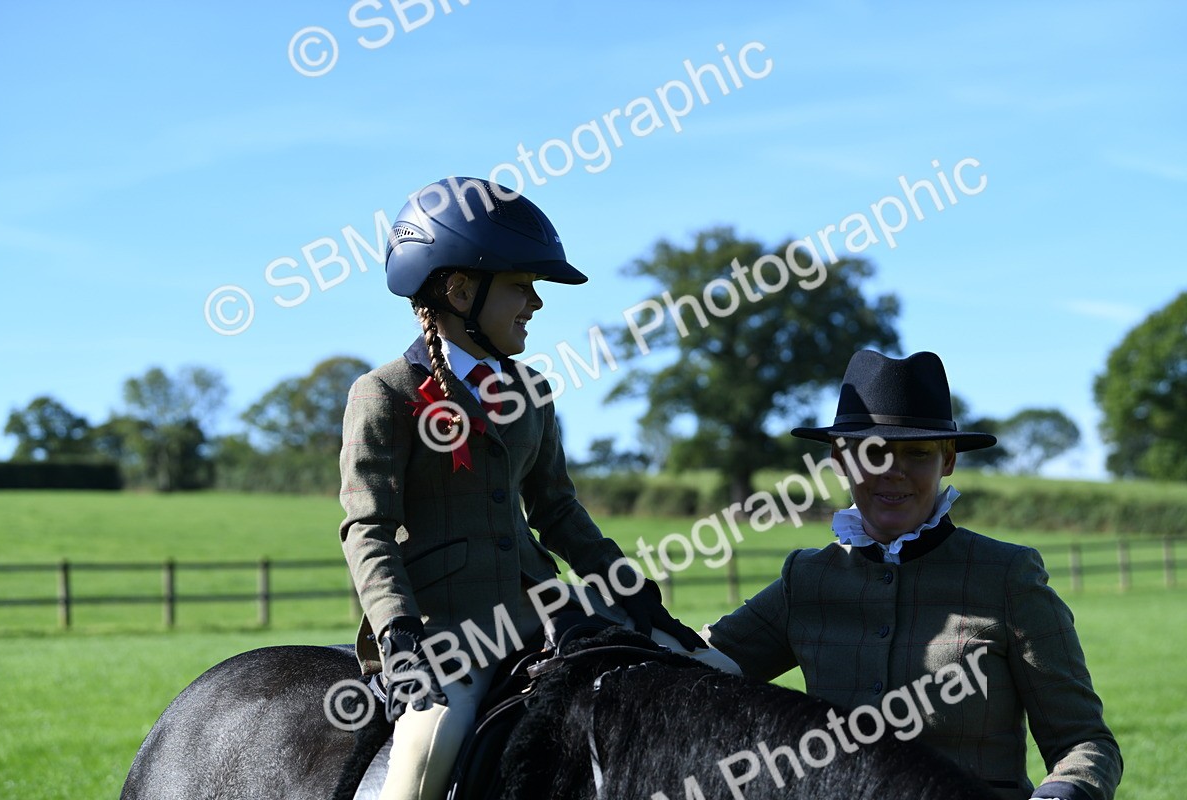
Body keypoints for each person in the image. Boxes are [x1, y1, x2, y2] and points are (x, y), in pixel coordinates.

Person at [338, 177, 734, 800]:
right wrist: (396, 629)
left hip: (542, 605)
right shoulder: (384, 393)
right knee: (431, 740)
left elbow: (557, 510)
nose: (536, 303)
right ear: (459, 290)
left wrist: (634, 594)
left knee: (713, 670)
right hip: (449, 626)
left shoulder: (532, 391)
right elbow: (369, 527)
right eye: (521, 286)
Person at [704, 349, 1122, 800]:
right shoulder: (806, 579)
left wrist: (1062, 793)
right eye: (872, 453)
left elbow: (1085, 743)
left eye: (917, 453)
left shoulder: (1007, 576)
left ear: (948, 460)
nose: (894, 472)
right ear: (840, 460)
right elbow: (698, 663)